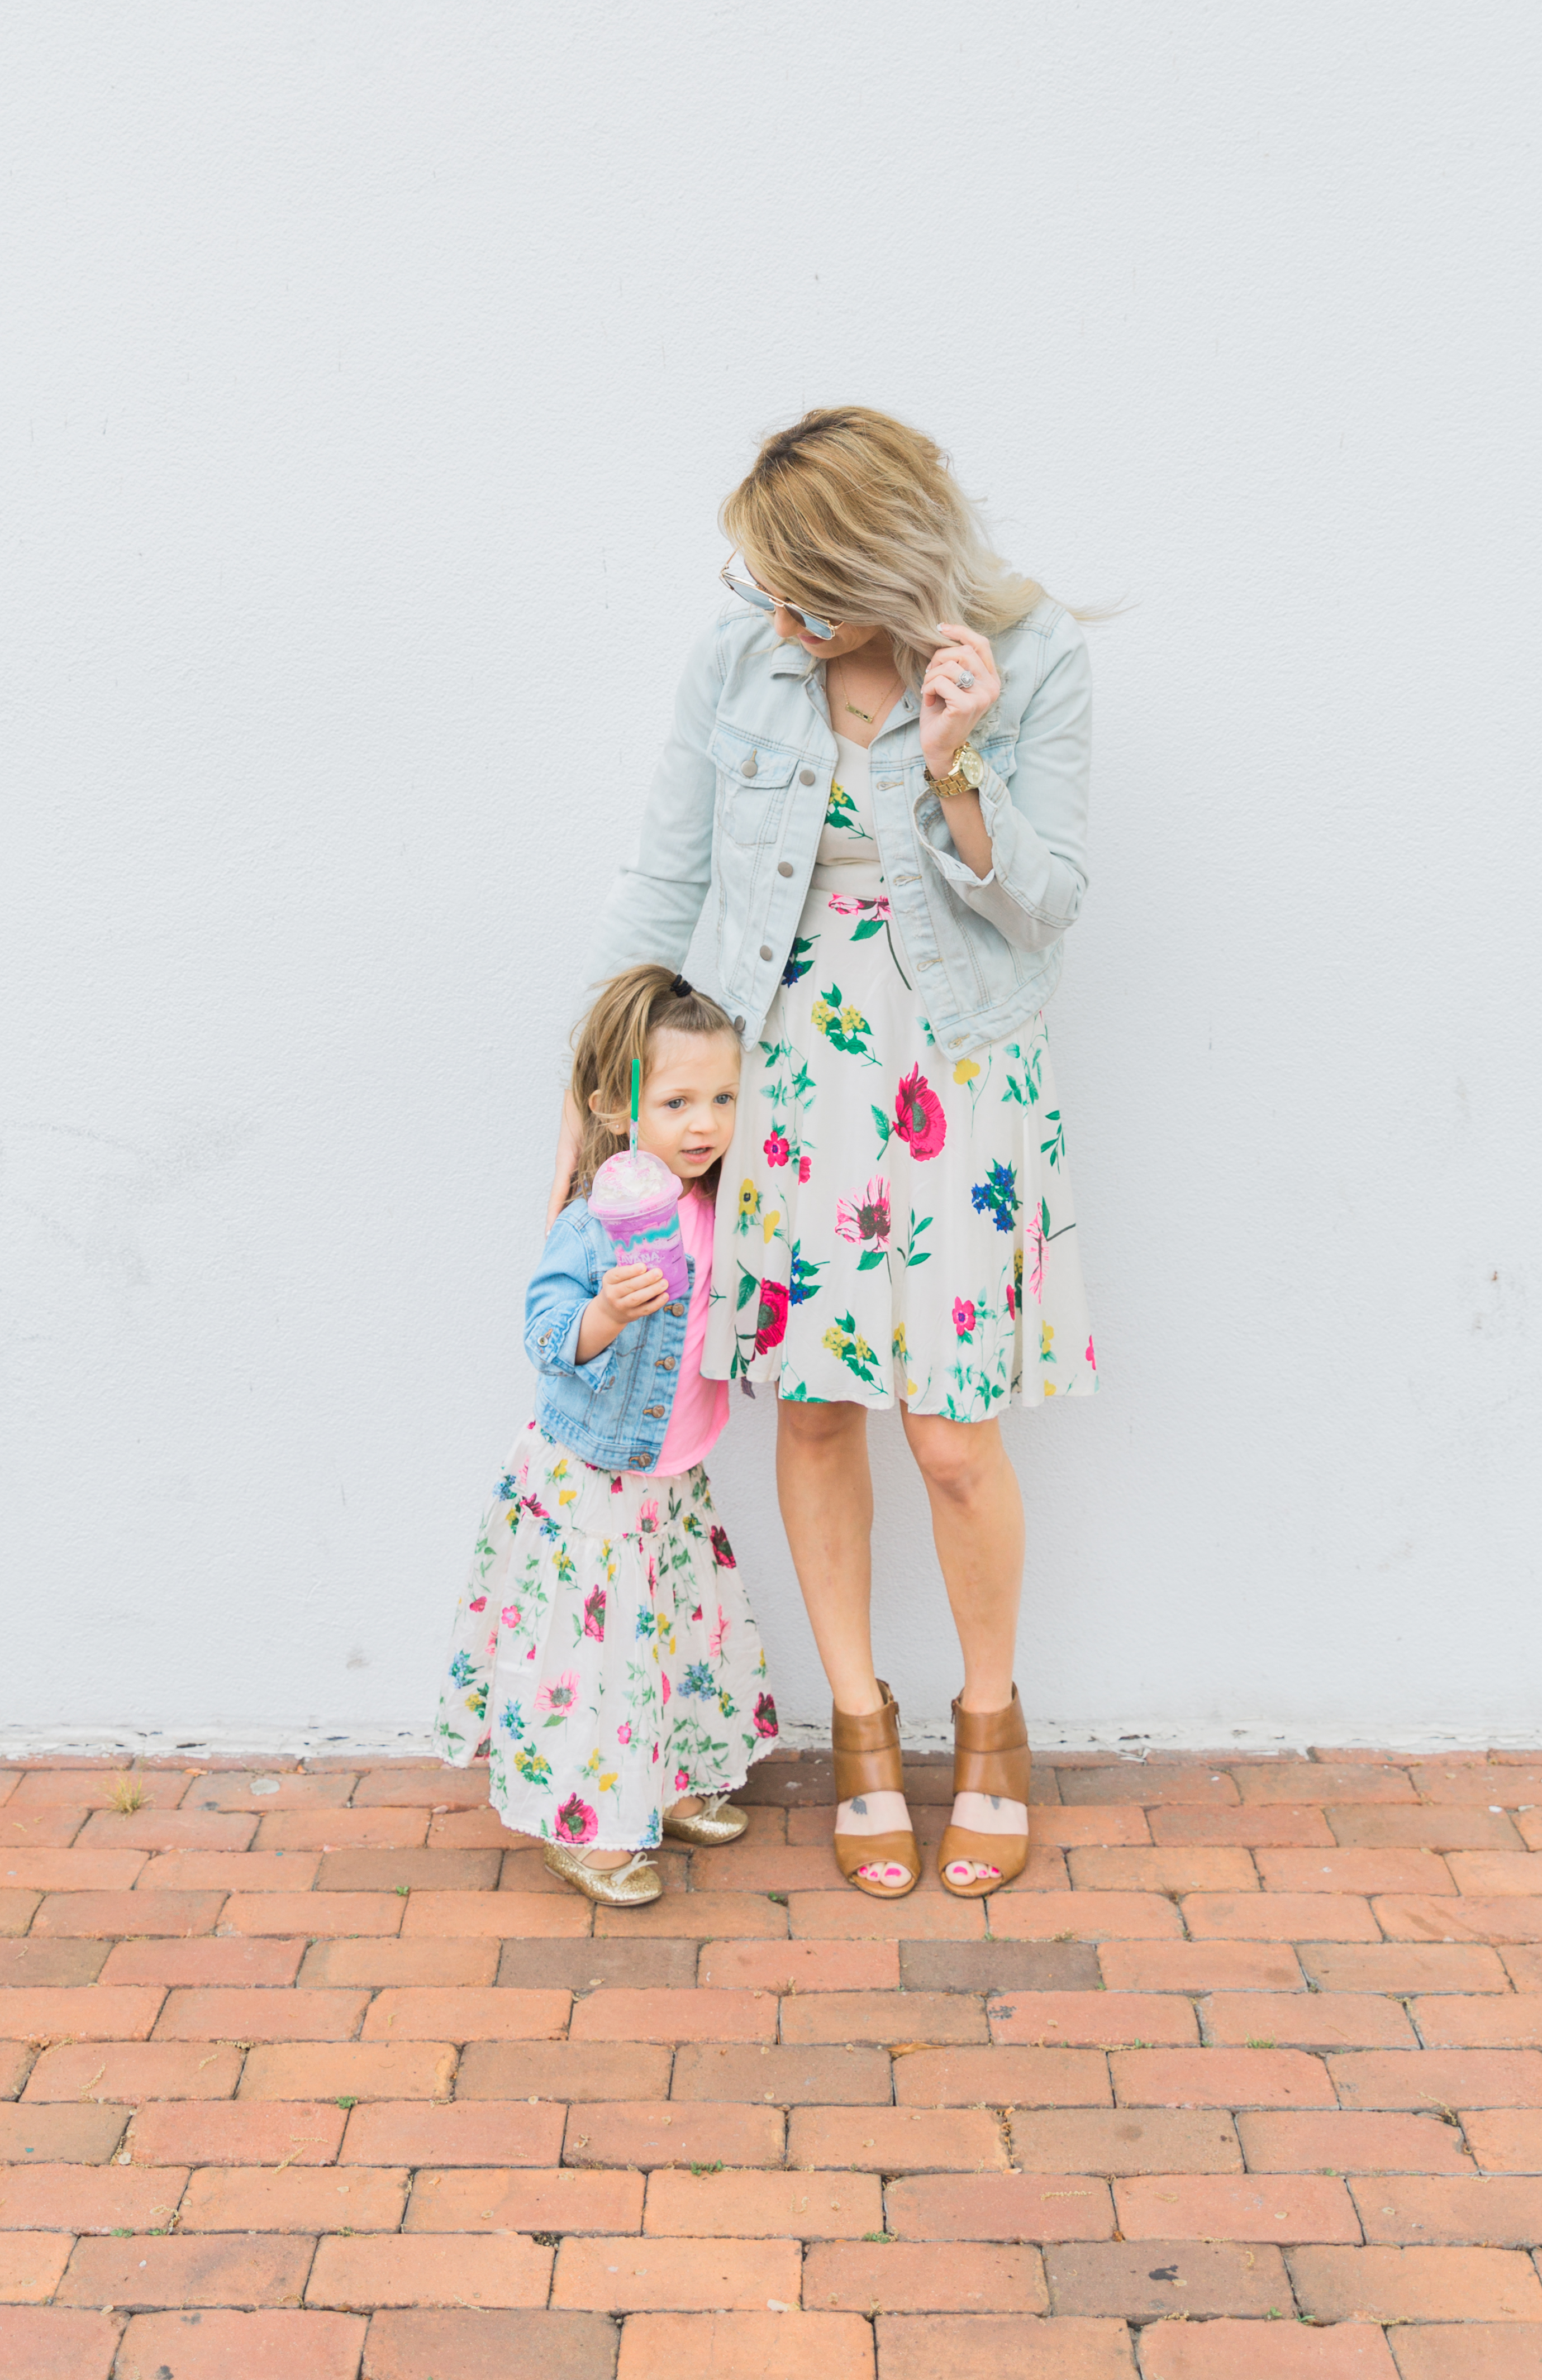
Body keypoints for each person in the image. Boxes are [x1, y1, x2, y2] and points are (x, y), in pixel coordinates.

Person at [556, 407, 1096, 1899]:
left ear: (881, 557)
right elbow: (667, 868)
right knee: (808, 1415)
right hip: (781, 1067)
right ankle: (859, 1725)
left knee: (946, 1431)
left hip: (961, 1073)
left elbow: (1047, 904)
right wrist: (600, 1082)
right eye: (766, 589)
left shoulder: (1031, 652)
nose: (778, 616)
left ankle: (986, 1721)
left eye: (803, 587)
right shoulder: (742, 657)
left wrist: (957, 761)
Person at [437, 965, 777, 1906]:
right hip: (592, 1482)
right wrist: (607, 1318)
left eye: (723, 1098)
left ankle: (661, 1791)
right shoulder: (596, 1227)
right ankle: (580, 1829)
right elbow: (545, 1337)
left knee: (666, 1644)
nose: (704, 1123)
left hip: (671, 1483)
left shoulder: (721, 1213)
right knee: (592, 1664)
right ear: (615, 1108)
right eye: (676, 1101)